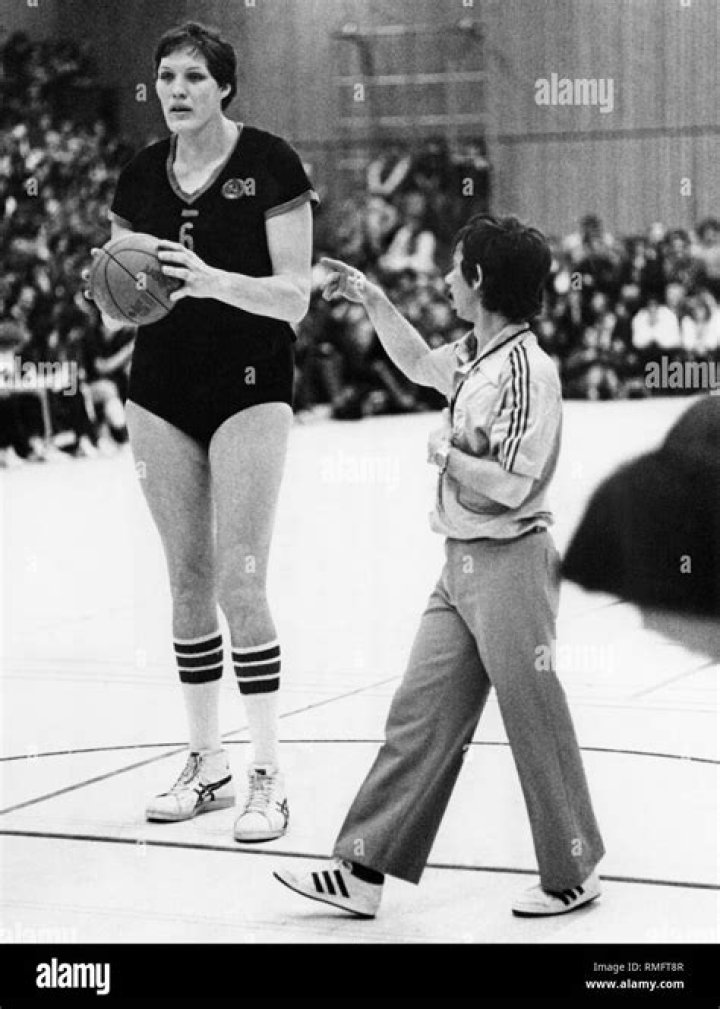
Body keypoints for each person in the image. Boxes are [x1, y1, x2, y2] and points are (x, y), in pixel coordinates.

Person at [273, 214, 605, 918]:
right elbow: (421, 364)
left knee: (534, 718)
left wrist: (446, 454)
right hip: (460, 567)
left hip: (511, 563)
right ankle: (362, 869)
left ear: (479, 279)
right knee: (418, 715)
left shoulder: (529, 371)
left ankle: (574, 871)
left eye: (456, 268)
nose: (447, 279)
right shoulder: (477, 354)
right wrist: (372, 298)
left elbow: (514, 485)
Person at [86, 21, 317, 841]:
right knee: (187, 581)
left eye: (192, 76)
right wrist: (109, 292)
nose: (175, 90)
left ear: (224, 86)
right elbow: (124, 301)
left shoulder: (271, 162)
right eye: (165, 77)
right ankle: (206, 761)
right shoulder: (139, 175)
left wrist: (216, 280)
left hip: (250, 382)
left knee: (240, 580)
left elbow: (295, 297)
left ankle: (268, 773)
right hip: (160, 389)